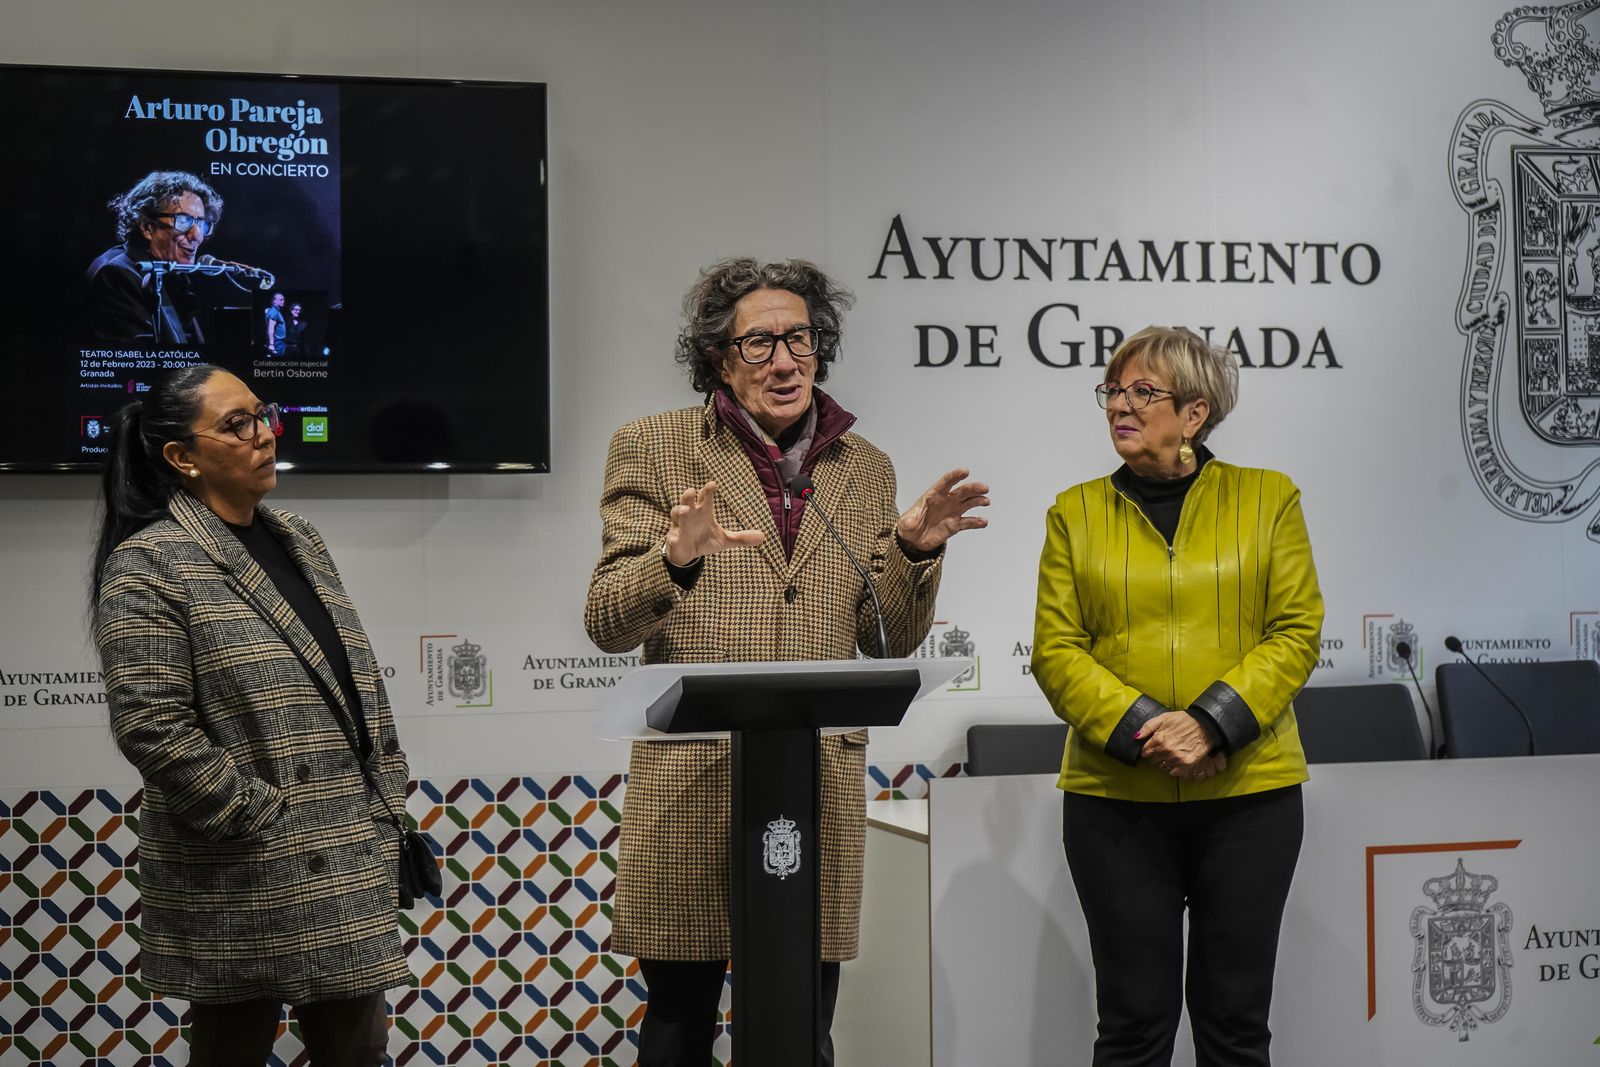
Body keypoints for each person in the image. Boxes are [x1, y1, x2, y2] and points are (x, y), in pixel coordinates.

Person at [584, 257, 988, 1066]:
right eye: (759, 342)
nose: (784, 360)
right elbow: (605, 620)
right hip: (695, 786)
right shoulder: (653, 447)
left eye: (799, 338)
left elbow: (887, 640)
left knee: (803, 1034)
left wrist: (912, 552)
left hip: (813, 793)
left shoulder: (863, 466)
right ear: (719, 359)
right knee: (677, 1035)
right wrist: (674, 562)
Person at [90, 364, 413, 1065]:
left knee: (359, 1049)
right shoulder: (148, 562)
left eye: (262, 414)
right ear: (182, 456)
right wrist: (259, 816)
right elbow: (151, 725)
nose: (264, 434)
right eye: (237, 424)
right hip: (244, 866)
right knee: (231, 1051)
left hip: (346, 849)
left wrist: (385, 797)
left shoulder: (299, 535)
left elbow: (354, 683)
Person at [1030, 326, 1323, 1067]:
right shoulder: (1073, 511)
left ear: (1195, 413)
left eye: (1142, 392)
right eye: (1112, 391)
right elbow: (1056, 651)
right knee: (1132, 1026)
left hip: (1249, 796)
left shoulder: (1269, 497)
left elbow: (1295, 632)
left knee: (1235, 1026)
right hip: (1115, 799)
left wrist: (1211, 725)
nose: (1118, 406)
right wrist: (1150, 731)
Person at [85, 170, 221, 344]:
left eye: (201, 223)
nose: (197, 235)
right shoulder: (116, 276)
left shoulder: (171, 276)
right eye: (183, 220)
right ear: (147, 227)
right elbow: (138, 358)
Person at [265, 292, 288, 356]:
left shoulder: (276, 311)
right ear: (274, 301)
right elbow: (271, 328)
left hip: (279, 342)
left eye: (283, 299)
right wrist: (271, 344)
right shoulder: (274, 312)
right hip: (276, 343)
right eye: (281, 300)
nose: (283, 301)